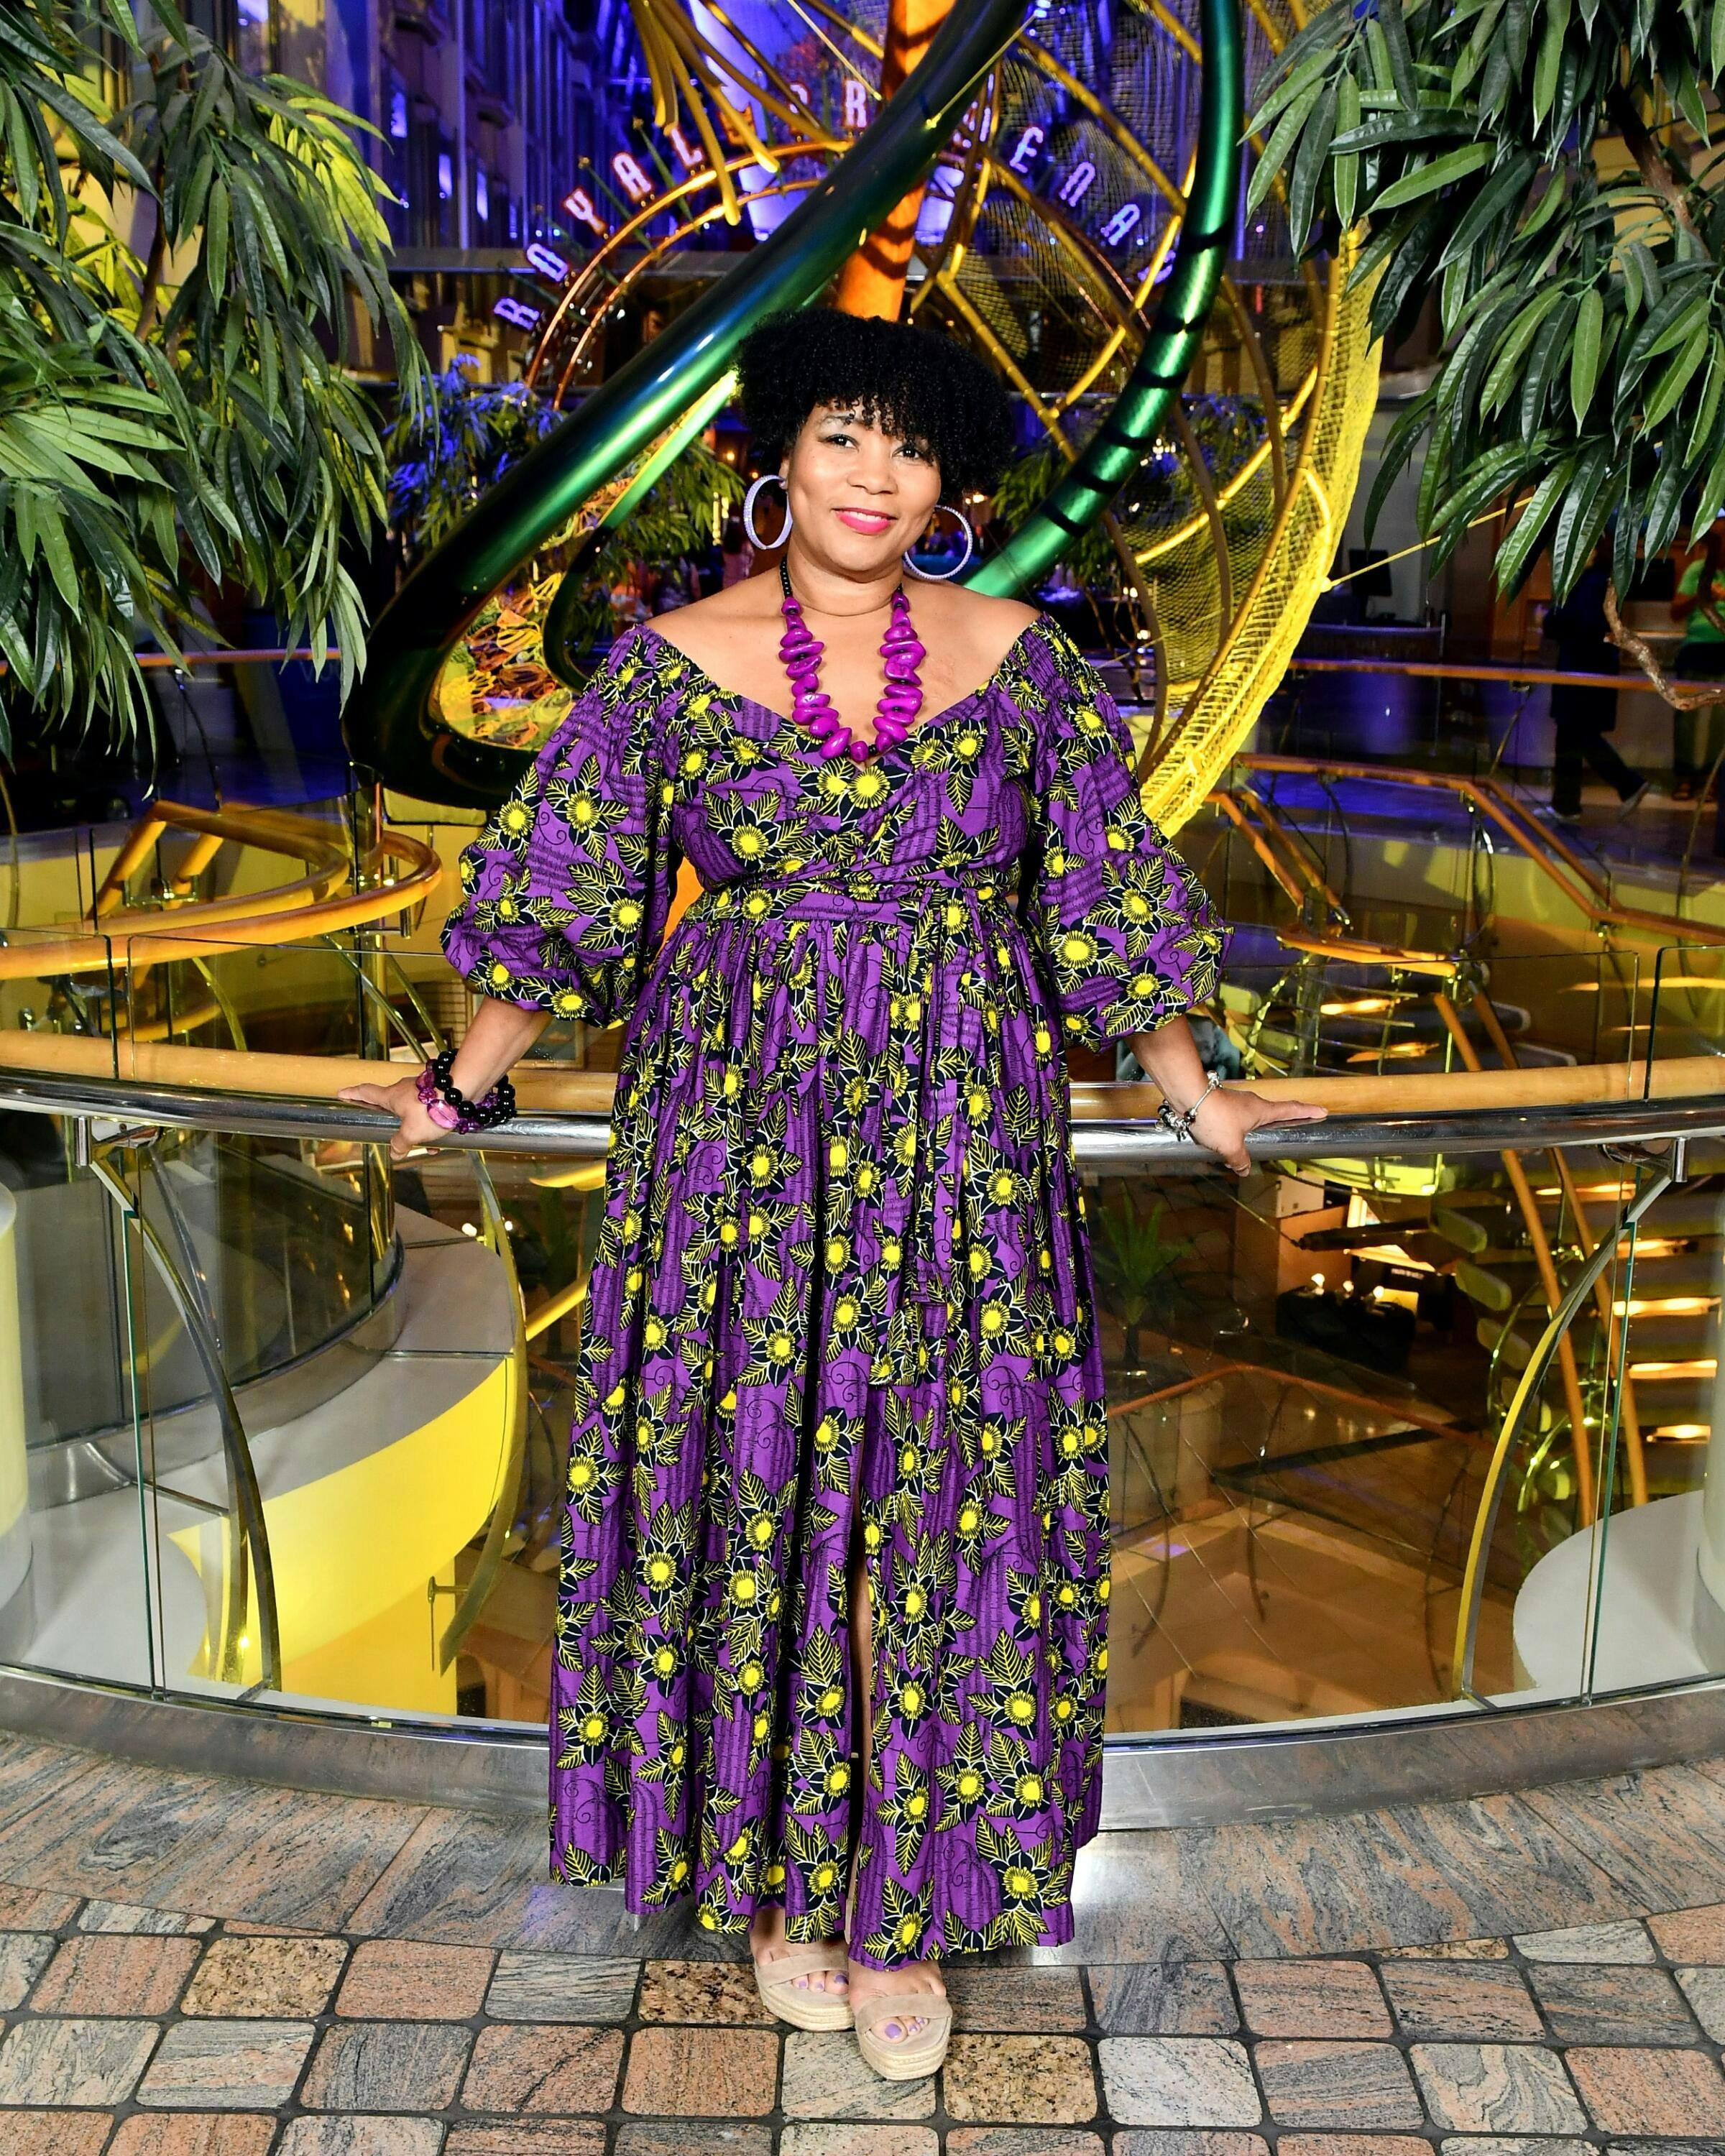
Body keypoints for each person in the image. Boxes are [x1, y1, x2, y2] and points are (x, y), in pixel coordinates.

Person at [341, 306, 1322, 2080]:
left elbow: (1101, 895)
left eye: (909, 447)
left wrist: (1194, 1087)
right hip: (736, 1153)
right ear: (777, 457)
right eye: (842, 437)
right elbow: (562, 893)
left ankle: (901, 1904)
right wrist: (461, 1080)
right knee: (766, 1494)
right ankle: (788, 1886)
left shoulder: (1022, 662)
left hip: (963, 1147)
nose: (875, 476)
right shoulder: (666, 669)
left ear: (948, 486)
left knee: (938, 1506)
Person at [1542, 544, 1646, 823]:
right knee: (1571, 736)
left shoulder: (1593, 582)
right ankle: (1566, 805)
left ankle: (1628, 783)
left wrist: (1553, 618)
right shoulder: (1595, 580)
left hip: (1584, 668)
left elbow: (1576, 622)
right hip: (1584, 667)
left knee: (1578, 734)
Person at [1672, 524, 1725, 801]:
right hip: (1697, 648)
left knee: (1721, 720)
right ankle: (1685, 776)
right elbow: (1675, 611)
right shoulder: (1697, 570)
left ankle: (1714, 778)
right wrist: (1703, 595)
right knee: (1687, 715)